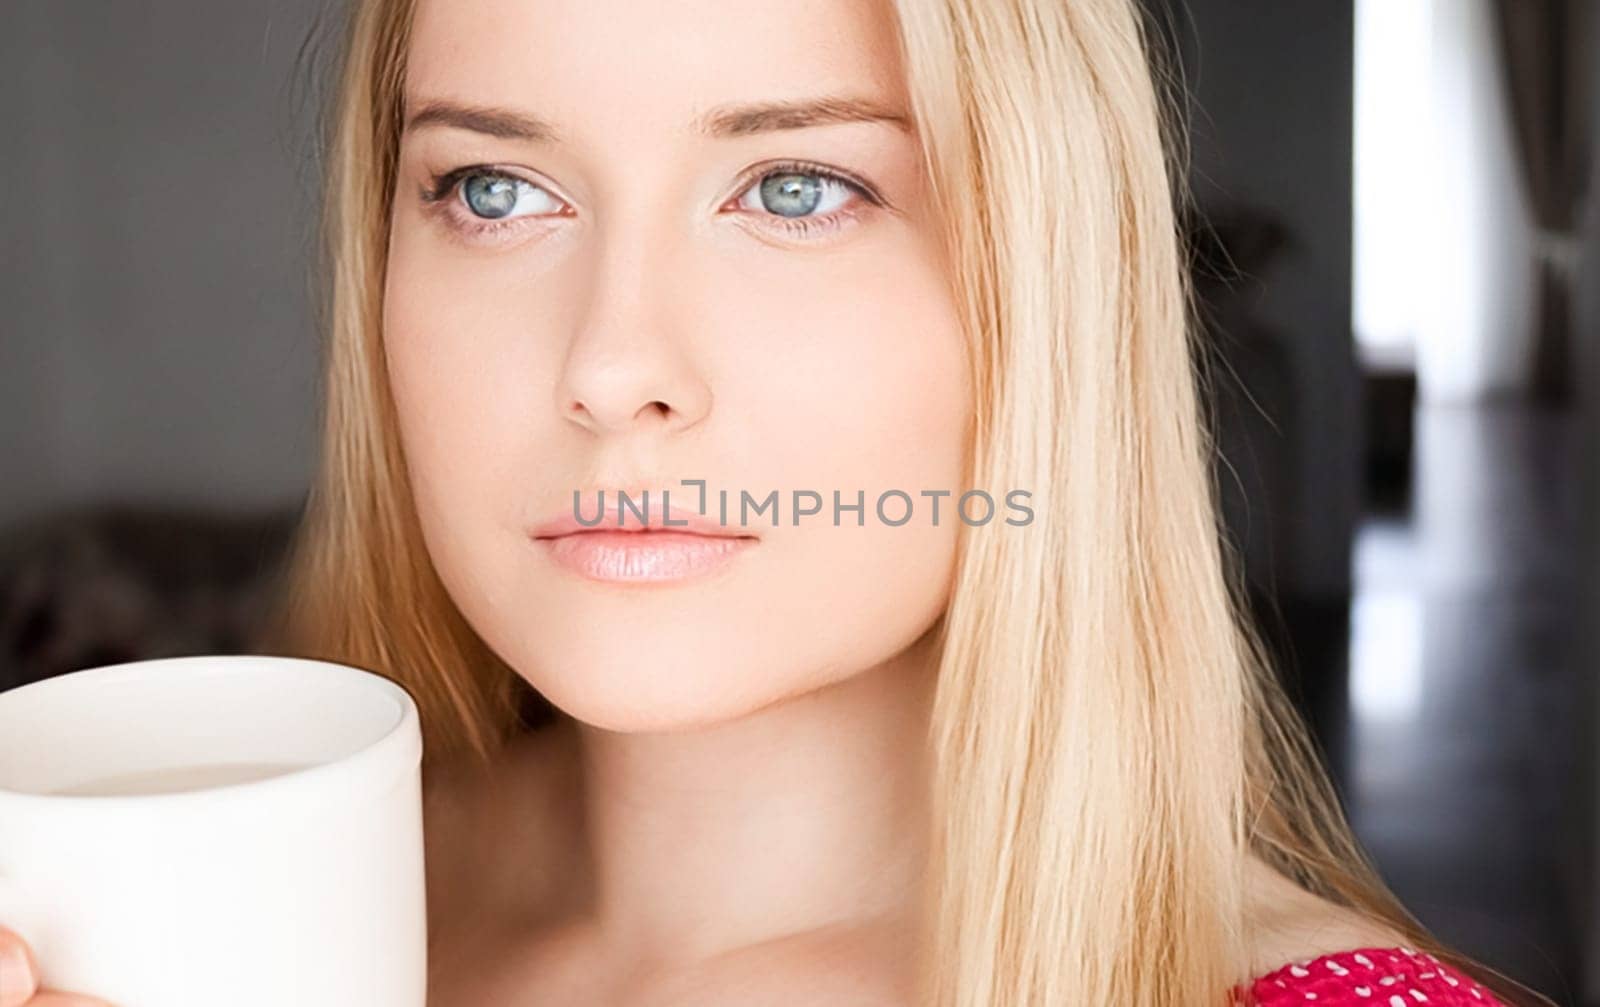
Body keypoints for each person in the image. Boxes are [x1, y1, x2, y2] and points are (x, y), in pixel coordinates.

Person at [0, 0, 1555, 1004]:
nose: (613, 369)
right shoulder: (172, 939)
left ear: (1047, 281)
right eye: (494, 190)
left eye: (797, 188)